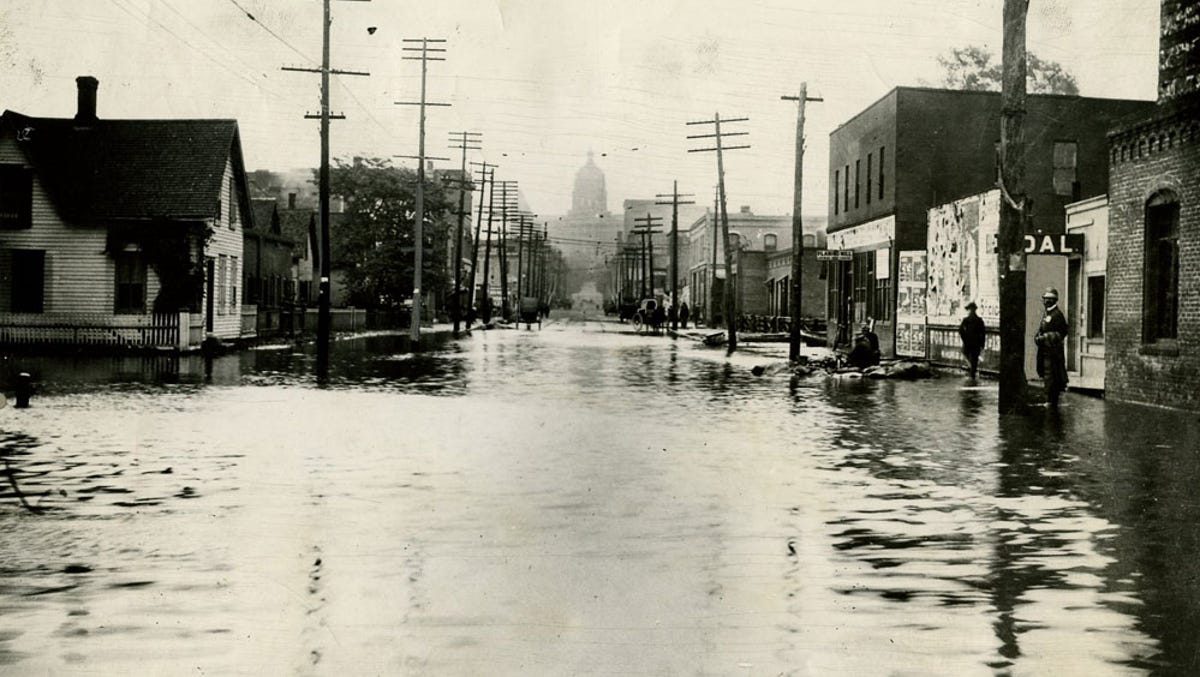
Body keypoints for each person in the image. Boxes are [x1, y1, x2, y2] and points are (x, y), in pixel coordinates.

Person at [1034, 287, 1069, 407]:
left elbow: (1062, 332)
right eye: (1045, 299)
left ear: (1054, 300)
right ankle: (1049, 398)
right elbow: (1041, 330)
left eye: (1049, 299)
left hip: (1053, 352)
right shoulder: (1047, 313)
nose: (1046, 301)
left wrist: (1046, 337)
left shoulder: (1057, 315)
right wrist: (1038, 337)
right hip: (1045, 350)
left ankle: (1051, 400)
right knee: (1047, 374)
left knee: (1052, 375)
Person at [958, 301, 986, 379]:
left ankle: (972, 373)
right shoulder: (979, 320)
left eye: (970, 309)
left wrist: (965, 338)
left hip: (969, 343)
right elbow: (983, 333)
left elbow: (960, 330)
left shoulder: (967, 320)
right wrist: (982, 344)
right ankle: (972, 372)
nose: (970, 311)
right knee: (974, 359)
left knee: (967, 355)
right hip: (975, 343)